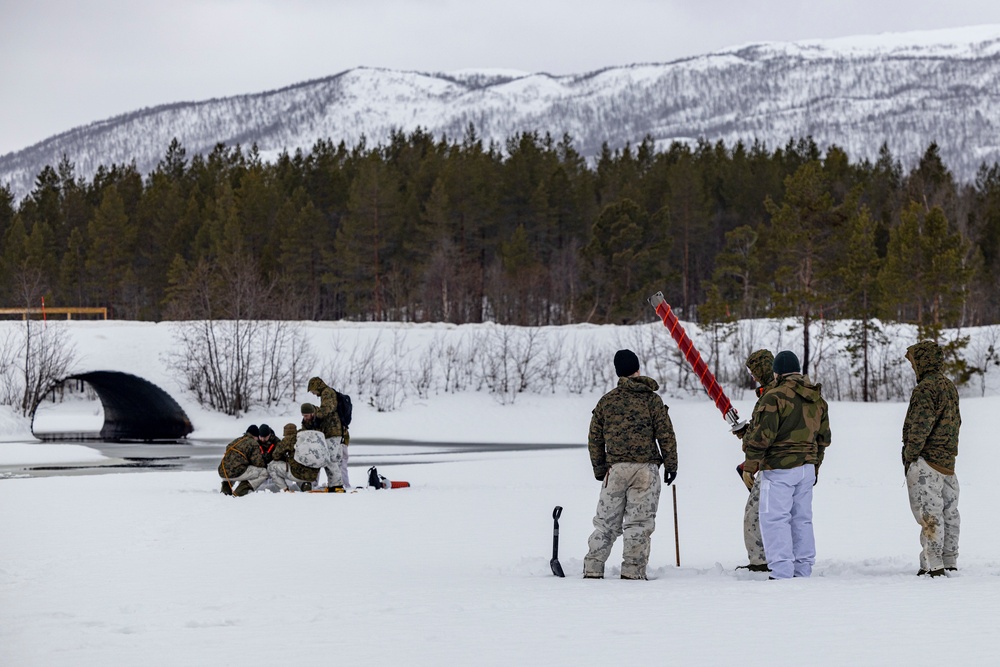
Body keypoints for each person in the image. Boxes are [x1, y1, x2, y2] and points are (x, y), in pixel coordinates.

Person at [583, 349, 678, 580]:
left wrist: (599, 469)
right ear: (638, 369)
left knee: (605, 524)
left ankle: (593, 568)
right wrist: (671, 464)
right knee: (638, 524)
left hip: (615, 470)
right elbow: (665, 434)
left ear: (618, 372)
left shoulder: (607, 401)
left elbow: (595, 438)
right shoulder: (651, 400)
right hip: (645, 470)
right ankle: (633, 572)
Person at [742, 350, 830, 579]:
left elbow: (762, 437)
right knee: (802, 519)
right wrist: (815, 466)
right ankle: (803, 569)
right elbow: (824, 438)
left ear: (777, 371)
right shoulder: (817, 397)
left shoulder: (775, 396)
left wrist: (750, 465)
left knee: (774, 518)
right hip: (807, 468)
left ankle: (781, 571)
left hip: (780, 468)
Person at [902, 340, 961, 578]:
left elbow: (919, 427)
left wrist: (910, 456)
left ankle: (933, 566)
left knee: (929, 515)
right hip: (948, 462)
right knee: (950, 513)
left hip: (927, 463)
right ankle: (949, 561)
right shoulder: (949, 386)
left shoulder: (926, 389)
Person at [733, 349, 777, 573]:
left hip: (772, 466)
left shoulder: (770, 395)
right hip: (791, 465)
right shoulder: (779, 391)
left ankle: (760, 562)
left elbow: (762, 436)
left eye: (754, 371)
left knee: (754, 515)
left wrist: (747, 440)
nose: (753, 376)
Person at [308, 376, 351, 488]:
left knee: (330, 459)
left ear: (316, 386)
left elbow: (326, 410)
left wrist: (314, 411)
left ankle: (336, 485)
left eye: (312, 391)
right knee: (335, 460)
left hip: (332, 431)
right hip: (334, 432)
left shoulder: (327, 393)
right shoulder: (328, 392)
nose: (313, 393)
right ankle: (337, 484)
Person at [218, 424, 271, 497]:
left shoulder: (236, 440)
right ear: (256, 435)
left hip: (222, 472)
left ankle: (225, 491)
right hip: (236, 473)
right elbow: (258, 463)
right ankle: (239, 492)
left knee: (233, 468)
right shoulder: (253, 443)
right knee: (264, 472)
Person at [301, 402, 344, 490]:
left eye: (307, 415)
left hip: (331, 436)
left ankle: (337, 484)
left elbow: (325, 430)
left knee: (329, 459)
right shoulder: (306, 421)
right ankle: (312, 484)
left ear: (312, 413)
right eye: (303, 415)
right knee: (315, 459)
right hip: (321, 440)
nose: (305, 418)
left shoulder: (321, 416)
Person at [268, 423, 320, 492]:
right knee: (296, 464)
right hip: (311, 474)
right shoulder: (304, 438)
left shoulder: (287, 440)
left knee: (271, 466)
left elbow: (275, 456)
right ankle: (305, 485)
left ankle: (285, 489)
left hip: (297, 473)